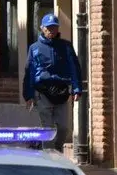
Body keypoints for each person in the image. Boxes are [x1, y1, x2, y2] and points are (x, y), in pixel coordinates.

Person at [22, 13, 82, 153]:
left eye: (54, 28)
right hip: (42, 92)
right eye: (48, 28)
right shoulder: (34, 48)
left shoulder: (66, 47)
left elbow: (74, 67)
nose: (51, 31)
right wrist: (28, 95)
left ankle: (58, 149)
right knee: (47, 129)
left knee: (63, 127)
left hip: (61, 91)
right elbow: (29, 72)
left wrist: (77, 88)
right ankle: (48, 157)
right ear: (42, 28)